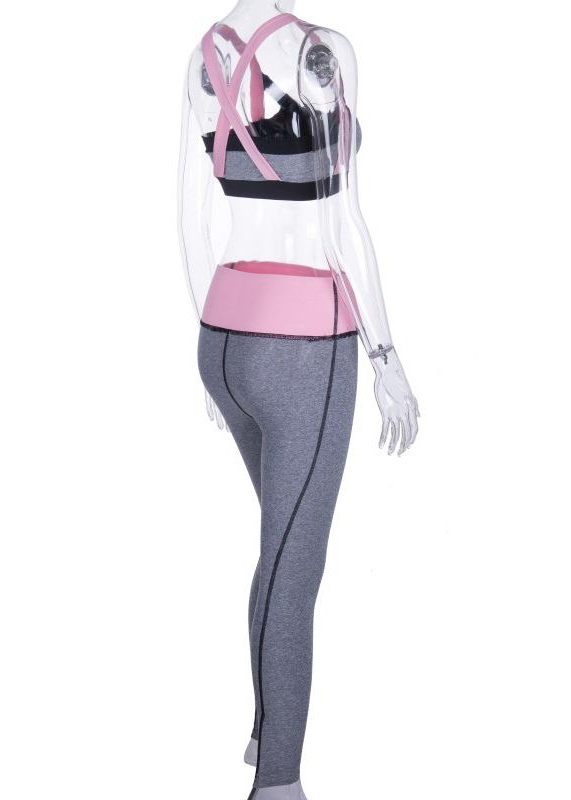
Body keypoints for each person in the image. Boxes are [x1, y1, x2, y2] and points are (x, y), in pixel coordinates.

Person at [178, 2, 419, 796]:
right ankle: (278, 783)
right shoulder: (323, 50)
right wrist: (385, 357)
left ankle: (264, 728)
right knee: (295, 567)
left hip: (223, 341)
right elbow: (345, 223)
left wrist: (212, 342)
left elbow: (190, 219)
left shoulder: (204, 57)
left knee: (278, 550)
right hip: (303, 345)